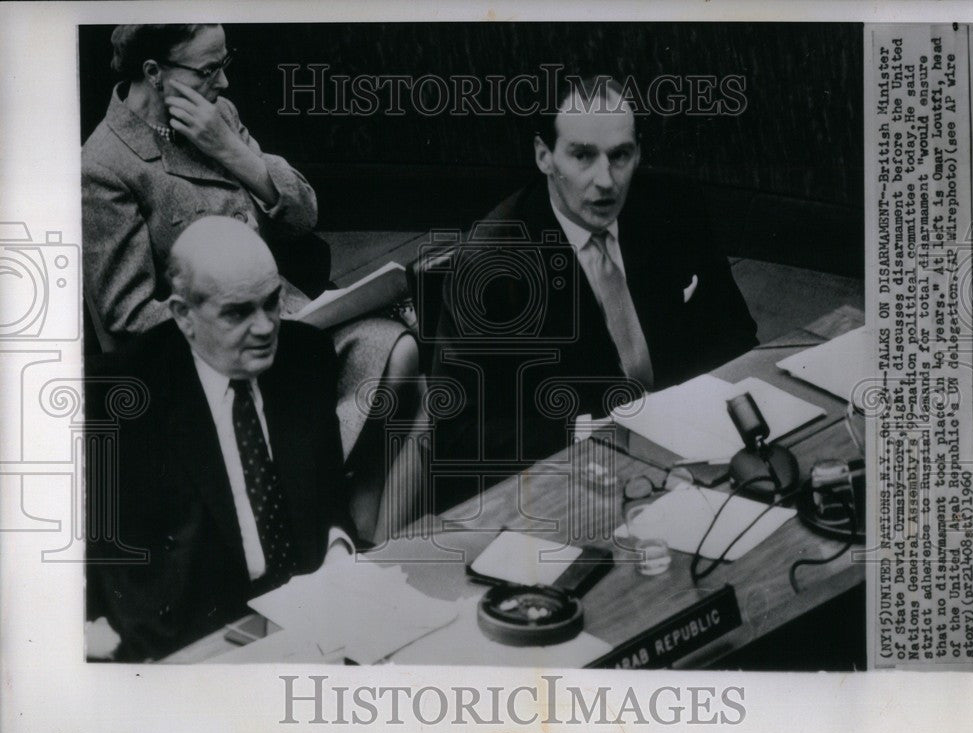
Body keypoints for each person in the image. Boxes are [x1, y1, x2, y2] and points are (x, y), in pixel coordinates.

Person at [81, 23, 422, 542]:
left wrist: (234, 152)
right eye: (207, 69)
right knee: (386, 393)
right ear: (153, 73)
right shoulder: (105, 167)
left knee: (399, 354)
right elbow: (125, 320)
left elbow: (303, 214)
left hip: (290, 322)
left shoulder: (217, 119)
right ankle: (338, 520)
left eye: (224, 62)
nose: (223, 81)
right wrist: (226, 323)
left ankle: (362, 523)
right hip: (215, 356)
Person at [430, 75, 758, 510]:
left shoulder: (674, 205)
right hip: (570, 478)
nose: (606, 180)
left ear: (638, 152)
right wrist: (597, 435)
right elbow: (461, 435)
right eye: (582, 155)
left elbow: (737, 335)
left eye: (620, 156)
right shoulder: (491, 263)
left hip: (694, 451)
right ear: (544, 156)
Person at [85, 217, 358, 662]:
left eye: (272, 303)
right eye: (238, 312)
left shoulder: (305, 358)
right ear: (183, 315)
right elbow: (124, 575)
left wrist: (339, 557)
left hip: (313, 618)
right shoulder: (121, 402)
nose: (267, 327)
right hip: (199, 643)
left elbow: (328, 498)